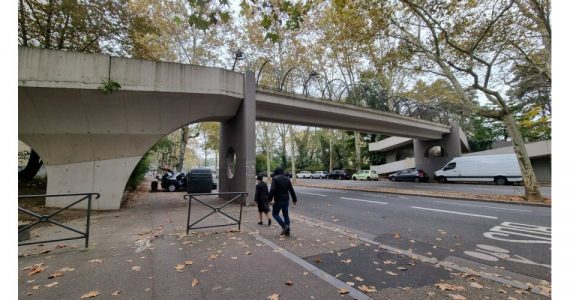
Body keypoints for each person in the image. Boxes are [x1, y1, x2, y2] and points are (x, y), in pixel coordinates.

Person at [268, 167, 297, 236]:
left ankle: (284, 226)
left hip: (278, 200)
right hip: (286, 200)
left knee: (275, 214)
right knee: (286, 215)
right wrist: (294, 199)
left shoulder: (275, 178)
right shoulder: (287, 179)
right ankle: (287, 231)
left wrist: (269, 199)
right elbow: (291, 190)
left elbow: (272, 190)